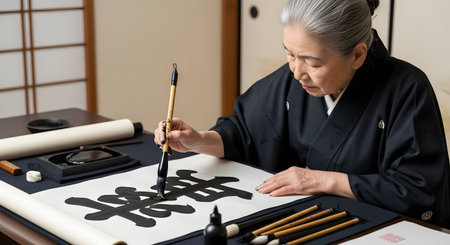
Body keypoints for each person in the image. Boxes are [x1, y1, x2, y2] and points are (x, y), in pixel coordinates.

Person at [154, 0, 450, 228]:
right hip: (301, 223)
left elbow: (417, 189)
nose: (296, 72)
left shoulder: (407, 88)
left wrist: (322, 180)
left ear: (357, 55)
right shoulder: (292, 80)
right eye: (290, 54)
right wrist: (198, 140)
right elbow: (245, 133)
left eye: (311, 61)